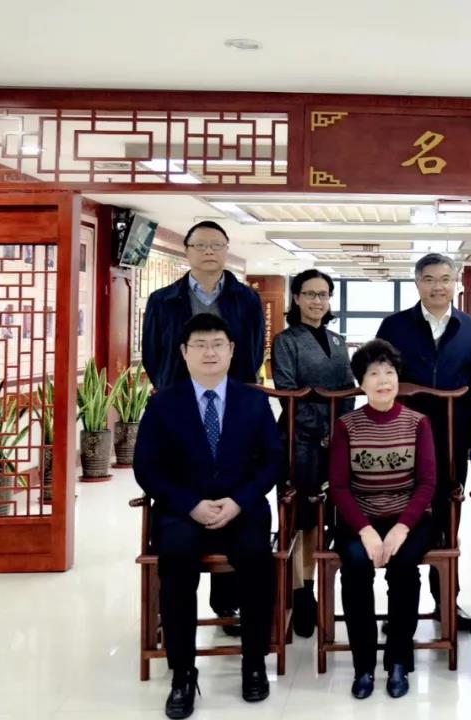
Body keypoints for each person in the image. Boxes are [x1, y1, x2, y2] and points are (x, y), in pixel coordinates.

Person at [133, 314, 282, 719]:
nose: (210, 352)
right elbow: (146, 467)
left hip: (241, 508)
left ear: (232, 351)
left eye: (218, 344)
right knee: (176, 562)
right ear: (184, 352)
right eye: (200, 345)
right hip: (184, 511)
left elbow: (272, 461)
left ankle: (254, 663)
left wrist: (239, 500)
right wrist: (190, 504)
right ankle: (183, 673)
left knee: (256, 560)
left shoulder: (254, 402)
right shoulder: (163, 404)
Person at [142, 221, 266, 631]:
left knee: (231, 499)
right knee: (182, 506)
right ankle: (173, 614)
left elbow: (251, 351)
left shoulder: (247, 299)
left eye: (217, 245)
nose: (209, 251)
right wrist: (175, 393)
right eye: (200, 245)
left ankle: (227, 604)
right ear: (187, 251)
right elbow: (153, 353)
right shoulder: (163, 300)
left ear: (227, 250)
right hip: (180, 412)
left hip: (229, 405)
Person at [376, 252, 471, 632]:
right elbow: (380, 379)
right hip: (401, 442)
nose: (437, 286)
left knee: (447, 524)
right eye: (429, 279)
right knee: (402, 521)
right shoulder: (394, 326)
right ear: (417, 283)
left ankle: (447, 605)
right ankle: (401, 611)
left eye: (444, 279)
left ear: (455, 282)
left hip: (453, 442)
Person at [329, 339, 436, 699]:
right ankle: (363, 665)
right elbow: (339, 487)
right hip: (359, 518)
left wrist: (402, 528)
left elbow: (427, 483)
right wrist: (366, 531)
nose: (383, 380)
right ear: (361, 382)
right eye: (373, 374)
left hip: (409, 518)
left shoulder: (418, 423)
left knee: (404, 567)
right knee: (356, 568)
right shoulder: (347, 425)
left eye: (389, 372)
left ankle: (399, 661)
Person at [271, 269, 355, 638]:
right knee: (299, 519)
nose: (317, 301)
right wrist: (321, 430)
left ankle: (314, 584)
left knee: (325, 519)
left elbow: (348, 390)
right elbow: (289, 393)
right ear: (296, 298)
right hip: (299, 441)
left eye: (323, 294)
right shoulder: (285, 341)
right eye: (310, 294)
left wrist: (339, 430)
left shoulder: (338, 341)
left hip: (334, 442)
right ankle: (299, 593)